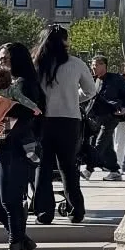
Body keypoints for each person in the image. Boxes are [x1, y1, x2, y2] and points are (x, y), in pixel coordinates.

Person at [0, 51, 43, 250]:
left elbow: (30, 114)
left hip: (17, 149)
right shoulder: (3, 88)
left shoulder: (24, 84)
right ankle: (21, 239)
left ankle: (16, 249)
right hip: (3, 150)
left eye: (6, 58)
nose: (2, 62)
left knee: (10, 200)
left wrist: (2, 113)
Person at [32, 26, 96, 225]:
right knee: (68, 166)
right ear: (65, 42)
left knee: (43, 167)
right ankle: (76, 209)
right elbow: (90, 90)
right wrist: (71, 99)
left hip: (43, 119)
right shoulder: (76, 63)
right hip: (69, 120)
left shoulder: (37, 64)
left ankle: (44, 212)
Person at [85, 53, 125, 181]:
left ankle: (88, 169)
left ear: (103, 65)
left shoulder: (116, 79)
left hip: (112, 116)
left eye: (95, 65)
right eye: (92, 65)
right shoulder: (94, 80)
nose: (93, 68)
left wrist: (124, 108)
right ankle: (114, 171)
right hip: (97, 118)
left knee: (100, 143)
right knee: (107, 145)